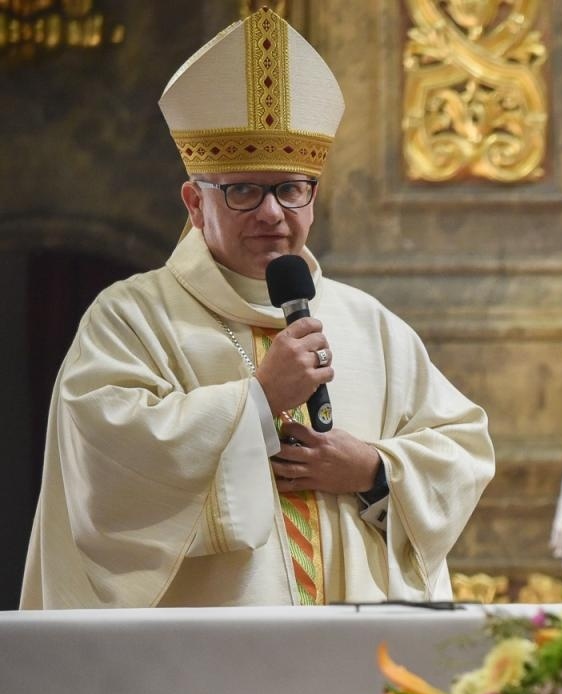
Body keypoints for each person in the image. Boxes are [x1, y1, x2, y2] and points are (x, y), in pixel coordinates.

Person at [21, 9, 495, 609]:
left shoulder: (370, 325)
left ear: (313, 198)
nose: (272, 213)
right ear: (195, 202)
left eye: (290, 188)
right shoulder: (131, 318)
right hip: (199, 666)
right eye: (243, 190)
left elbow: (462, 449)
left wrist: (374, 470)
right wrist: (257, 401)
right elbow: (106, 472)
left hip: (354, 661)